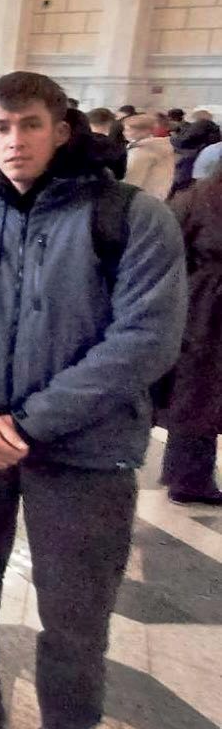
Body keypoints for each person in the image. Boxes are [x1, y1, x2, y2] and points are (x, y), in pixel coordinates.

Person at [0, 71, 186, 729]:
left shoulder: (128, 215)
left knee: (73, 602)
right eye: (1, 128)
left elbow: (145, 339)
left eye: (30, 125)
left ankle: (62, 727)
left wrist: (30, 423)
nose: (14, 142)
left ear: (61, 130)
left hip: (84, 448)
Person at [158, 174, 222, 505]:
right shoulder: (200, 197)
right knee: (199, 395)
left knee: (199, 395)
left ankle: (189, 476)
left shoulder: (196, 195)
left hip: (202, 308)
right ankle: (189, 478)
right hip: (205, 311)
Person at [121, 113, 175, 201]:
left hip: (140, 199)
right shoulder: (162, 145)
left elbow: (131, 181)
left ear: (144, 131)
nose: (124, 133)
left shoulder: (142, 152)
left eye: (128, 130)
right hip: (156, 197)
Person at [171, 109, 220, 196]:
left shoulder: (202, 124)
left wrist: (172, 138)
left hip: (196, 155)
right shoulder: (213, 128)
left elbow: (184, 140)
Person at [84, 107, 129, 180]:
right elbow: (120, 175)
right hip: (105, 184)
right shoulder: (118, 147)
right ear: (110, 123)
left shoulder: (74, 142)